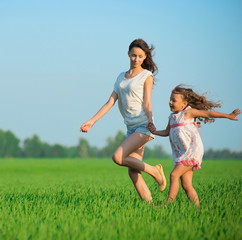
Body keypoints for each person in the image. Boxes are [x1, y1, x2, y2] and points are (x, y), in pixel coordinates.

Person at [80, 39, 166, 203]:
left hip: (143, 125)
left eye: (140, 56)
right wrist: (91, 121)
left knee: (118, 157)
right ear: (128, 54)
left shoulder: (146, 76)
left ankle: (155, 171)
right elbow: (110, 102)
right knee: (133, 171)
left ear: (145, 57)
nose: (136, 59)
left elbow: (147, 102)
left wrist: (150, 120)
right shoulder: (121, 77)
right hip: (131, 128)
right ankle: (151, 208)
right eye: (133, 55)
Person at [147, 85, 241, 207]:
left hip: (192, 152)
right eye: (170, 99)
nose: (170, 102)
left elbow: (208, 114)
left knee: (173, 175)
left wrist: (228, 116)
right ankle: (198, 210)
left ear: (184, 103)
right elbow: (166, 132)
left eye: (174, 100)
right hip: (181, 154)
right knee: (186, 185)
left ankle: (167, 206)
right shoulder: (172, 117)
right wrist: (154, 131)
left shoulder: (188, 112)